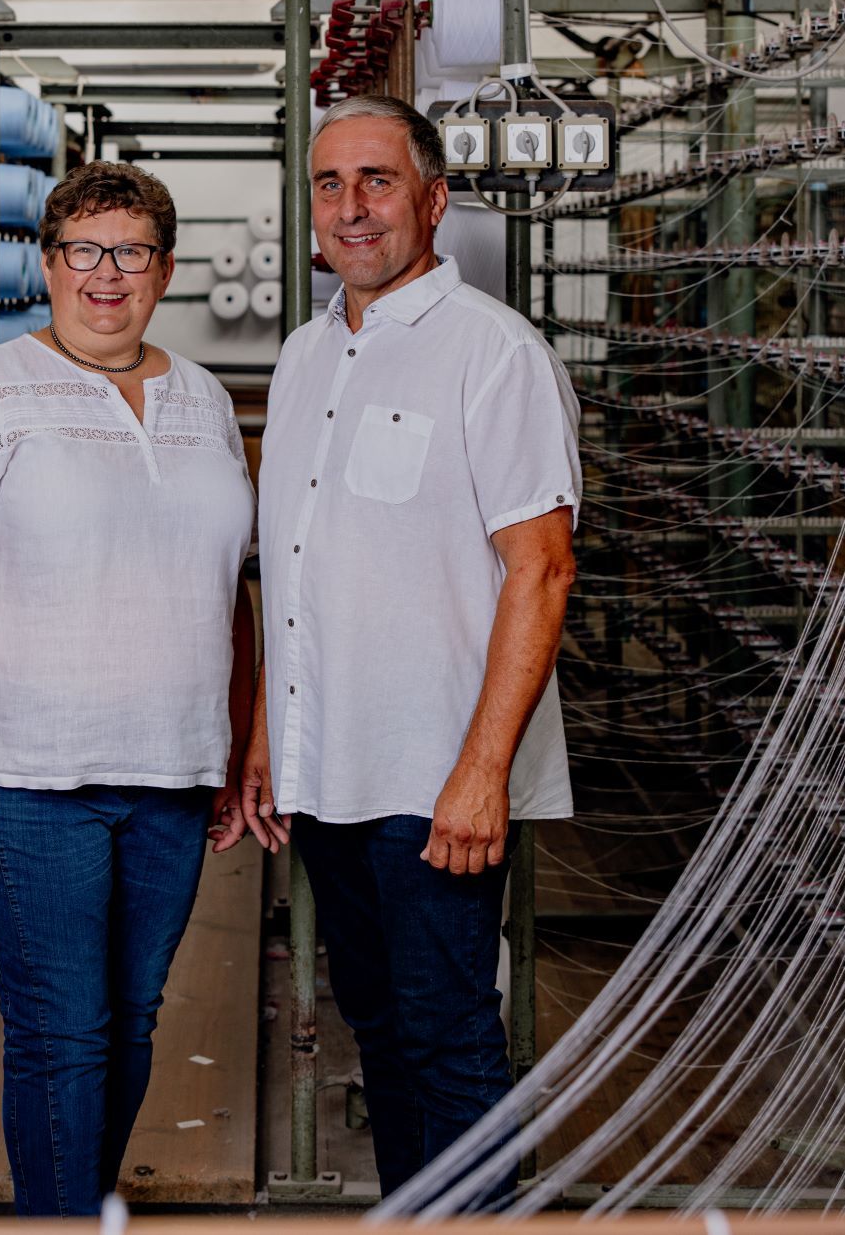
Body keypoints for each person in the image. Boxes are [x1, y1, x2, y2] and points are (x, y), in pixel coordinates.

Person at [230, 93, 580, 1196]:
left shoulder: (494, 354)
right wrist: (263, 743)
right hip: (328, 770)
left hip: (434, 781)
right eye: (329, 184)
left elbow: (542, 568)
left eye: (377, 181)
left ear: (433, 199)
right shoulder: (302, 357)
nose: (352, 207)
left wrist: (481, 774)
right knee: (377, 1034)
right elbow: (287, 568)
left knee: (448, 1045)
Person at [0, 161, 257, 1217]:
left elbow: (227, 589)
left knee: (131, 1020)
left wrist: (236, 745)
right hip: (34, 773)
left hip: (171, 773)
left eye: (131, 252)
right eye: (83, 253)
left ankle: (85, 1208)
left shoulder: (200, 396)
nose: (108, 275)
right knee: (64, 1034)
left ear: (166, 270)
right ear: (45, 266)